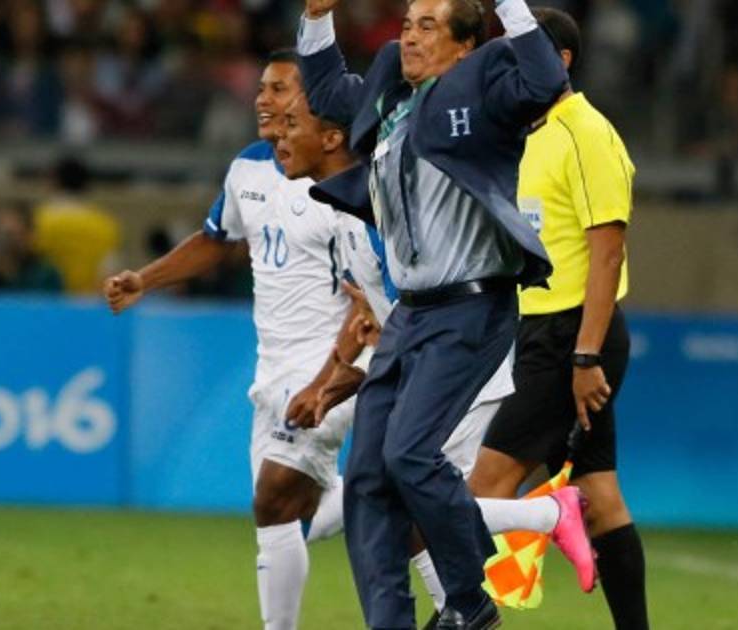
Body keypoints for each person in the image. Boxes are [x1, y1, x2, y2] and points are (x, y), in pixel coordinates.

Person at [296, 0, 567, 627]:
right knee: (368, 478)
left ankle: (470, 600)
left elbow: (545, 81)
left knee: (410, 456)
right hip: (410, 314)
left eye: (429, 26)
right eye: (407, 25)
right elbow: (329, 92)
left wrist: (508, 5)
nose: (411, 37)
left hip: (470, 306)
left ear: (466, 46)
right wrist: (316, 17)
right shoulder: (392, 99)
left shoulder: (487, 92)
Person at [103, 50, 362, 630]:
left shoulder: (343, 182)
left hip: (326, 364)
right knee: (281, 516)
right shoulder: (248, 167)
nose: (264, 100)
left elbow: (365, 293)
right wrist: (145, 279)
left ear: (314, 101)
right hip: (271, 367)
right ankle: (423, 502)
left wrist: (333, 376)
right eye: (262, 89)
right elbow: (217, 239)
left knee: (274, 495)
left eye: (280, 89)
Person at [465, 9, 648, 629]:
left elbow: (608, 252)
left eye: (523, 53)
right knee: (600, 497)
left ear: (560, 61)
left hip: (574, 337)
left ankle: (460, 615)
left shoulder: (587, 133)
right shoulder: (529, 134)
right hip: (541, 333)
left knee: (485, 484)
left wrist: (585, 356)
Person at [34, 156, 121, 295]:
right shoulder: (104, 224)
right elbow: (109, 271)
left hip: (48, 300)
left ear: (55, 181)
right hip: (88, 301)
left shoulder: (41, 220)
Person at [0, 201, 63, 293]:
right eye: (3, 235)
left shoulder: (46, 274)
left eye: (12, 234)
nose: (8, 243)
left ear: (30, 234)